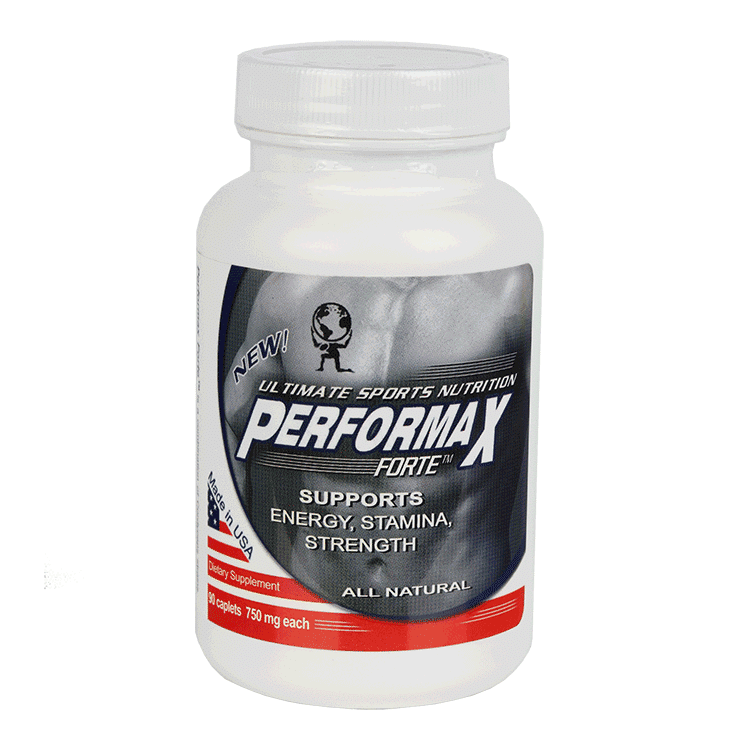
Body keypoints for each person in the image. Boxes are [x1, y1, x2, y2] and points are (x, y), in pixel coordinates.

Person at [223, 267, 532, 620]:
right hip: (314, 602)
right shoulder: (290, 293)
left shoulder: (509, 290)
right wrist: (242, 566)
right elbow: (231, 422)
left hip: (454, 603)